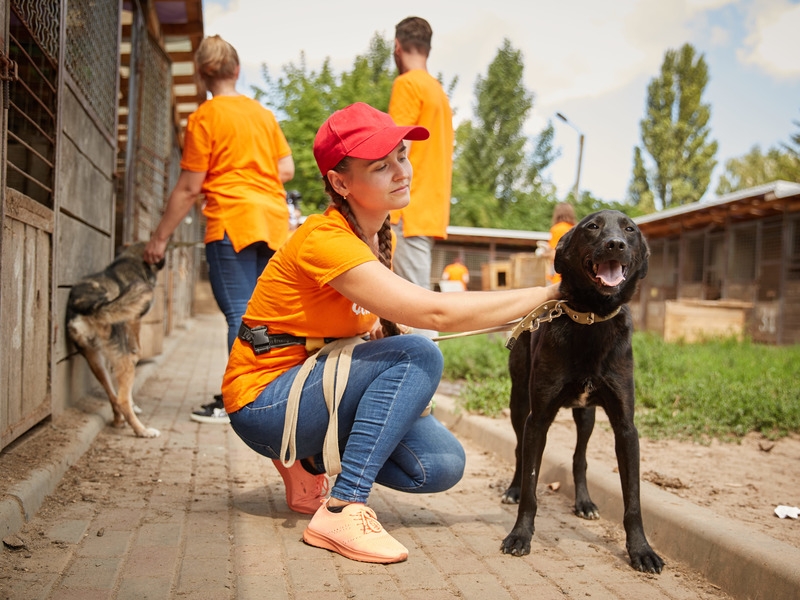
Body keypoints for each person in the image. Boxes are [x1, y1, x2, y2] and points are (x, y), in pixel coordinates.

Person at [221, 102, 560, 564]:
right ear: (341, 183)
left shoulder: (380, 236)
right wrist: (550, 294)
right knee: (419, 355)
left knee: (439, 466)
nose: (401, 171)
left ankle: (309, 461)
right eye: (381, 166)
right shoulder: (325, 238)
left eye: (401, 155)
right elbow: (436, 313)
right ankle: (342, 507)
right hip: (264, 404)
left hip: (310, 390)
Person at [143, 35, 294, 425]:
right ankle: (268, 394)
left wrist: (159, 238)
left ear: (202, 75)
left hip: (232, 221)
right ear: (237, 70)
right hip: (273, 222)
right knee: (263, 315)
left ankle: (240, 403)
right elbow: (286, 169)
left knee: (239, 316)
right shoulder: (263, 114)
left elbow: (191, 185)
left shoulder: (205, 118)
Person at [388, 16, 454, 334]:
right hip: (428, 210)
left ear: (397, 47)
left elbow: (396, 150)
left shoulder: (407, 84)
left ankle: (424, 377)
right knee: (412, 306)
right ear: (427, 49)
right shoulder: (437, 91)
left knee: (416, 312)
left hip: (406, 211)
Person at [547, 202, 577, 284]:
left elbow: (554, 254)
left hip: (558, 276)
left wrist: (545, 253)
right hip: (573, 275)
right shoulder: (575, 229)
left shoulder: (557, 229)